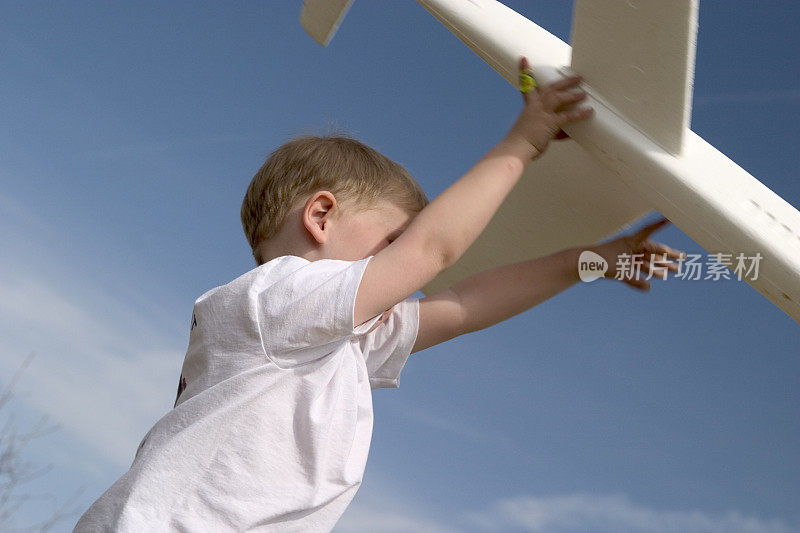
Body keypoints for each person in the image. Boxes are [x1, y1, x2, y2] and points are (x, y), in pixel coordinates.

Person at [74, 57, 684, 532]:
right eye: (392, 240)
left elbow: (465, 305)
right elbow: (433, 252)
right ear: (321, 216)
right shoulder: (276, 299)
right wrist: (523, 143)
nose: (405, 266)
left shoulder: (329, 341)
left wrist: (586, 261)